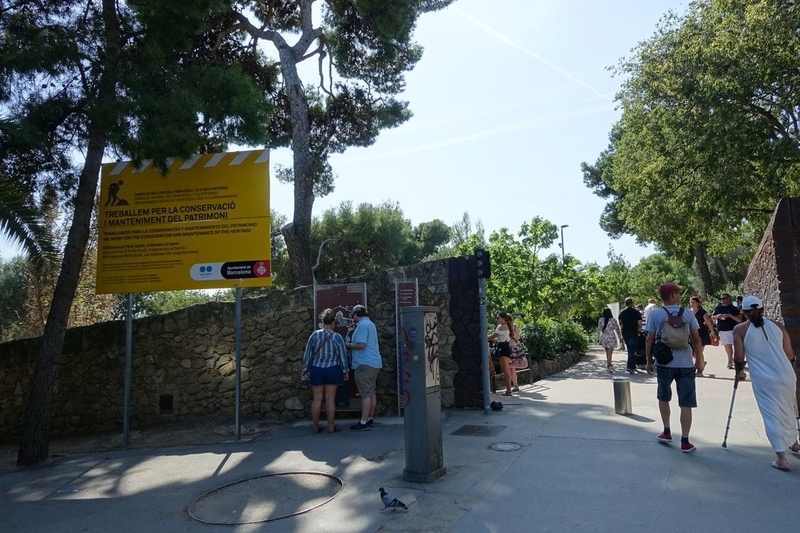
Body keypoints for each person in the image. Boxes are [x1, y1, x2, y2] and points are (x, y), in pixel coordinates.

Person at [733, 295, 798, 471]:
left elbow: (739, 357)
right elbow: (790, 354)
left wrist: (739, 371)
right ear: (763, 310)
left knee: (771, 415)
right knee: (788, 408)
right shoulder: (778, 326)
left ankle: (781, 459)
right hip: (786, 374)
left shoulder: (740, 330)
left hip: (764, 380)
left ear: (744, 312)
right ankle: (794, 442)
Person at [645, 283, 704, 453]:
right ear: (672, 295)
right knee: (686, 402)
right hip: (685, 365)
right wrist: (699, 360)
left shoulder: (655, 314)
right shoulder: (687, 313)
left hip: (664, 364)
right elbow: (697, 339)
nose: (679, 294)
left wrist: (649, 361)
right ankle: (685, 441)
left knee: (664, 397)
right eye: (678, 292)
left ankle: (666, 431)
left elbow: (649, 339)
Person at [302, 309, 350, 434]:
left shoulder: (315, 335)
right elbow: (342, 356)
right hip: (332, 369)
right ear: (333, 323)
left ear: (322, 322)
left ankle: (315, 426)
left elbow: (308, 353)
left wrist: (305, 368)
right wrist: (345, 371)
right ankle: (330, 426)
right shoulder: (337, 337)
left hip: (316, 369)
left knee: (317, 399)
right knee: (330, 399)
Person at [344, 305, 383, 431]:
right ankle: (370, 418)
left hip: (364, 364)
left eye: (352, 315)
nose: (352, 318)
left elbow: (361, 345)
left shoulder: (362, 326)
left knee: (365, 394)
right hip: (374, 363)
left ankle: (363, 422)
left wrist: (348, 345)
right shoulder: (370, 324)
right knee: (371, 392)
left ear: (356, 314)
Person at [712, 293, 742, 370]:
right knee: (726, 345)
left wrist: (730, 316)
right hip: (722, 329)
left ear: (728, 298)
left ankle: (730, 360)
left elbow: (739, 319)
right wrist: (717, 316)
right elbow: (713, 317)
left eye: (724, 298)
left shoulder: (733, 308)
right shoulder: (718, 308)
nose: (723, 300)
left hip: (731, 329)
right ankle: (730, 358)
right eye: (721, 299)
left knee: (729, 345)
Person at [689, 295, 717, 377]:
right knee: (692, 353)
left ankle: (699, 370)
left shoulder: (702, 312)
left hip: (701, 333)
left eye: (693, 302)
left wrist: (712, 332)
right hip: (690, 333)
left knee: (699, 352)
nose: (692, 304)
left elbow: (708, 322)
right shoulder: (688, 312)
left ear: (698, 303)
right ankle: (702, 363)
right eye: (691, 302)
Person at [488, 312, 515, 396]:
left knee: (505, 370)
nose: (497, 319)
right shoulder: (505, 326)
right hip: (504, 347)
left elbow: (492, 336)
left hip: (502, 348)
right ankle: (508, 389)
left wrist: (484, 337)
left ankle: (508, 390)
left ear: (503, 318)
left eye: (498, 318)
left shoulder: (502, 327)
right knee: (505, 369)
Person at [618, 298, 643, 374]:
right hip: (634, 332)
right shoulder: (636, 312)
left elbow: (620, 323)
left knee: (630, 348)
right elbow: (639, 323)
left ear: (625, 303)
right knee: (632, 349)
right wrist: (639, 330)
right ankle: (630, 366)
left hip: (625, 332)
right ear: (632, 303)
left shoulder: (622, 312)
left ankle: (632, 366)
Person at [597, 308, 622, 372]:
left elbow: (599, 329)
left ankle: (609, 364)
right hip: (611, 336)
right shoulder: (613, 320)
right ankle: (609, 365)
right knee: (610, 353)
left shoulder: (601, 320)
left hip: (604, 336)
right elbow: (617, 329)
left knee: (607, 352)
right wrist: (619, 336)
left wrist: (598, 337)